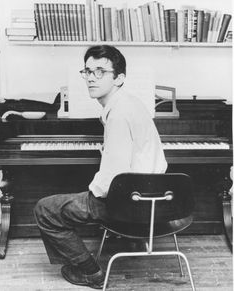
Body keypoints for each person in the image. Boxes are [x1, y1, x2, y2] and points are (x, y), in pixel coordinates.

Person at [34, 45, 167, 289]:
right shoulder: (130, 103)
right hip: (153, 199)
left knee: (46, 209)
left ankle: (90, 272)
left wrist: (90, 193)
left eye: (100, 71)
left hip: (128, 203)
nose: (91, 78)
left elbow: (112, 180)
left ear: (119, 78)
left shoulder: (118, 114)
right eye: (88, 71)